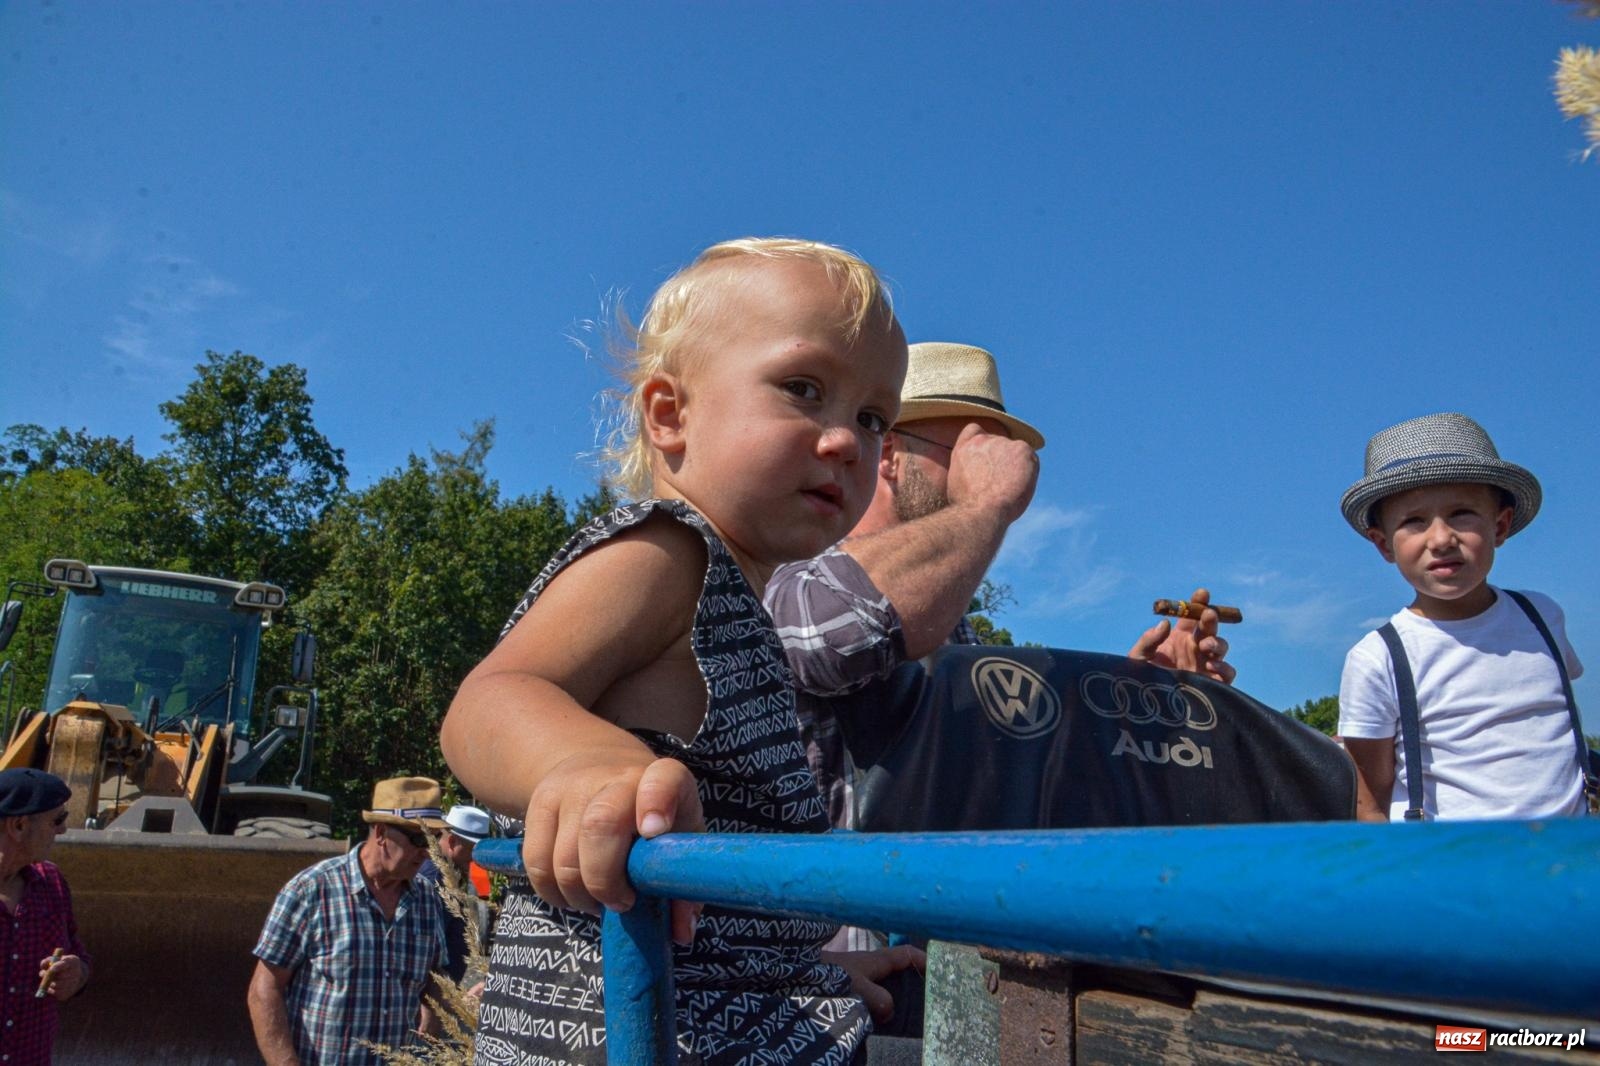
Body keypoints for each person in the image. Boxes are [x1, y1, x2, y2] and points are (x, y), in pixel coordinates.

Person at [441, 237, 908, 1065]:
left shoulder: (740, 604)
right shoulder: (669, 554)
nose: (847, 442)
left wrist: (804, 962)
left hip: (702, 1010)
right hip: (622, 1030)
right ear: (670, 414)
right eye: (804, 390)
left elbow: (710, 897)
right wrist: (586, 767)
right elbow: (491, 697)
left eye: (874, 418)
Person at [764, 341, 1235, 834]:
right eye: (968, 452)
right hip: (822, 905)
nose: (993, 470)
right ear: (890, 452)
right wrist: (988, 502)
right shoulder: (795, 564)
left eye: (995, 455)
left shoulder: (958, 633)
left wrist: (1132, 702)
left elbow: (1015, 774)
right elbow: (828, 641)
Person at [1336, 412, 1587, 822]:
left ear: (1500, 526)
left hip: (1566, 864)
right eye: (1414, 522)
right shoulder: (1377, 658)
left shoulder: (1542, 616)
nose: (1441, 539)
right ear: (1384, 544)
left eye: (1462, 514)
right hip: (1449, 870)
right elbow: (1370, 792)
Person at [248, 777, 449, 1066]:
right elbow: (264, 989)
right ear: (381, 833)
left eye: (433, 840)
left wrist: (431, 1017)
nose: (426, 851)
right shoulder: (311, 890)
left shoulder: (427, 900)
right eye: (419, 839)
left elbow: (435, 975)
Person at [0, 768, 90, 1066]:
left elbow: (78, 955)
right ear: (19, 825)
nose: (62, 830)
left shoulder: (50, 883)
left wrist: (76, 975)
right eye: (57, 820)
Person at [417, 804, 492, 984]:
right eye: (472, 850)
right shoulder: (432, 881)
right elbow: (429, 951)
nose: (476, 858)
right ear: (452, 842)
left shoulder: (450, 875)